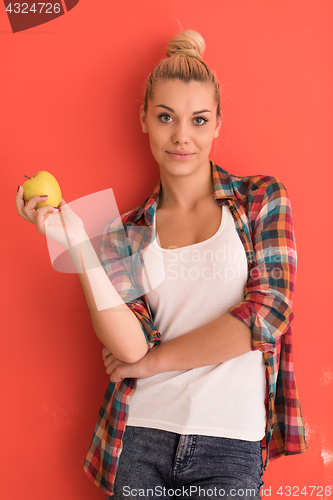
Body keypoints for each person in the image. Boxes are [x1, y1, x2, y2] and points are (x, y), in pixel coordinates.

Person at [16, 29, 307, 500]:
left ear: (217, 125)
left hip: (231, 442)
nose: (182, 136)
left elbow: (268, 315)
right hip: (141, 435)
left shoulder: (260, 198)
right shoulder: (123, 232)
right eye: (166, 116)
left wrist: (155, 362)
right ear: (144, 120)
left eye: (199, 119)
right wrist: (73, 241)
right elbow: (128, 349)